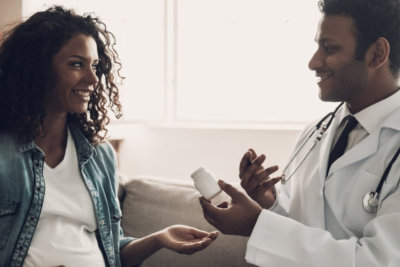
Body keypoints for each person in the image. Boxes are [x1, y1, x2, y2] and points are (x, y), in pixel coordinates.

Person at [0, 6, 217, 267]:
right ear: (37, 68)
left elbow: (111, 252)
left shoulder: (100, 156)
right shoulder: (4, 153)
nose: (93, 78)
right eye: (77, 64)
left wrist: (159, 238)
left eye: (95, 66)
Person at [199, 0, 400, 266]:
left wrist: (258, 225)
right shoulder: (315, 133)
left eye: (329, 48)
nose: (313, 62)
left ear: (376, 54)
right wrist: (269, 204)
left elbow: (378, 260)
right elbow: (303, 228)